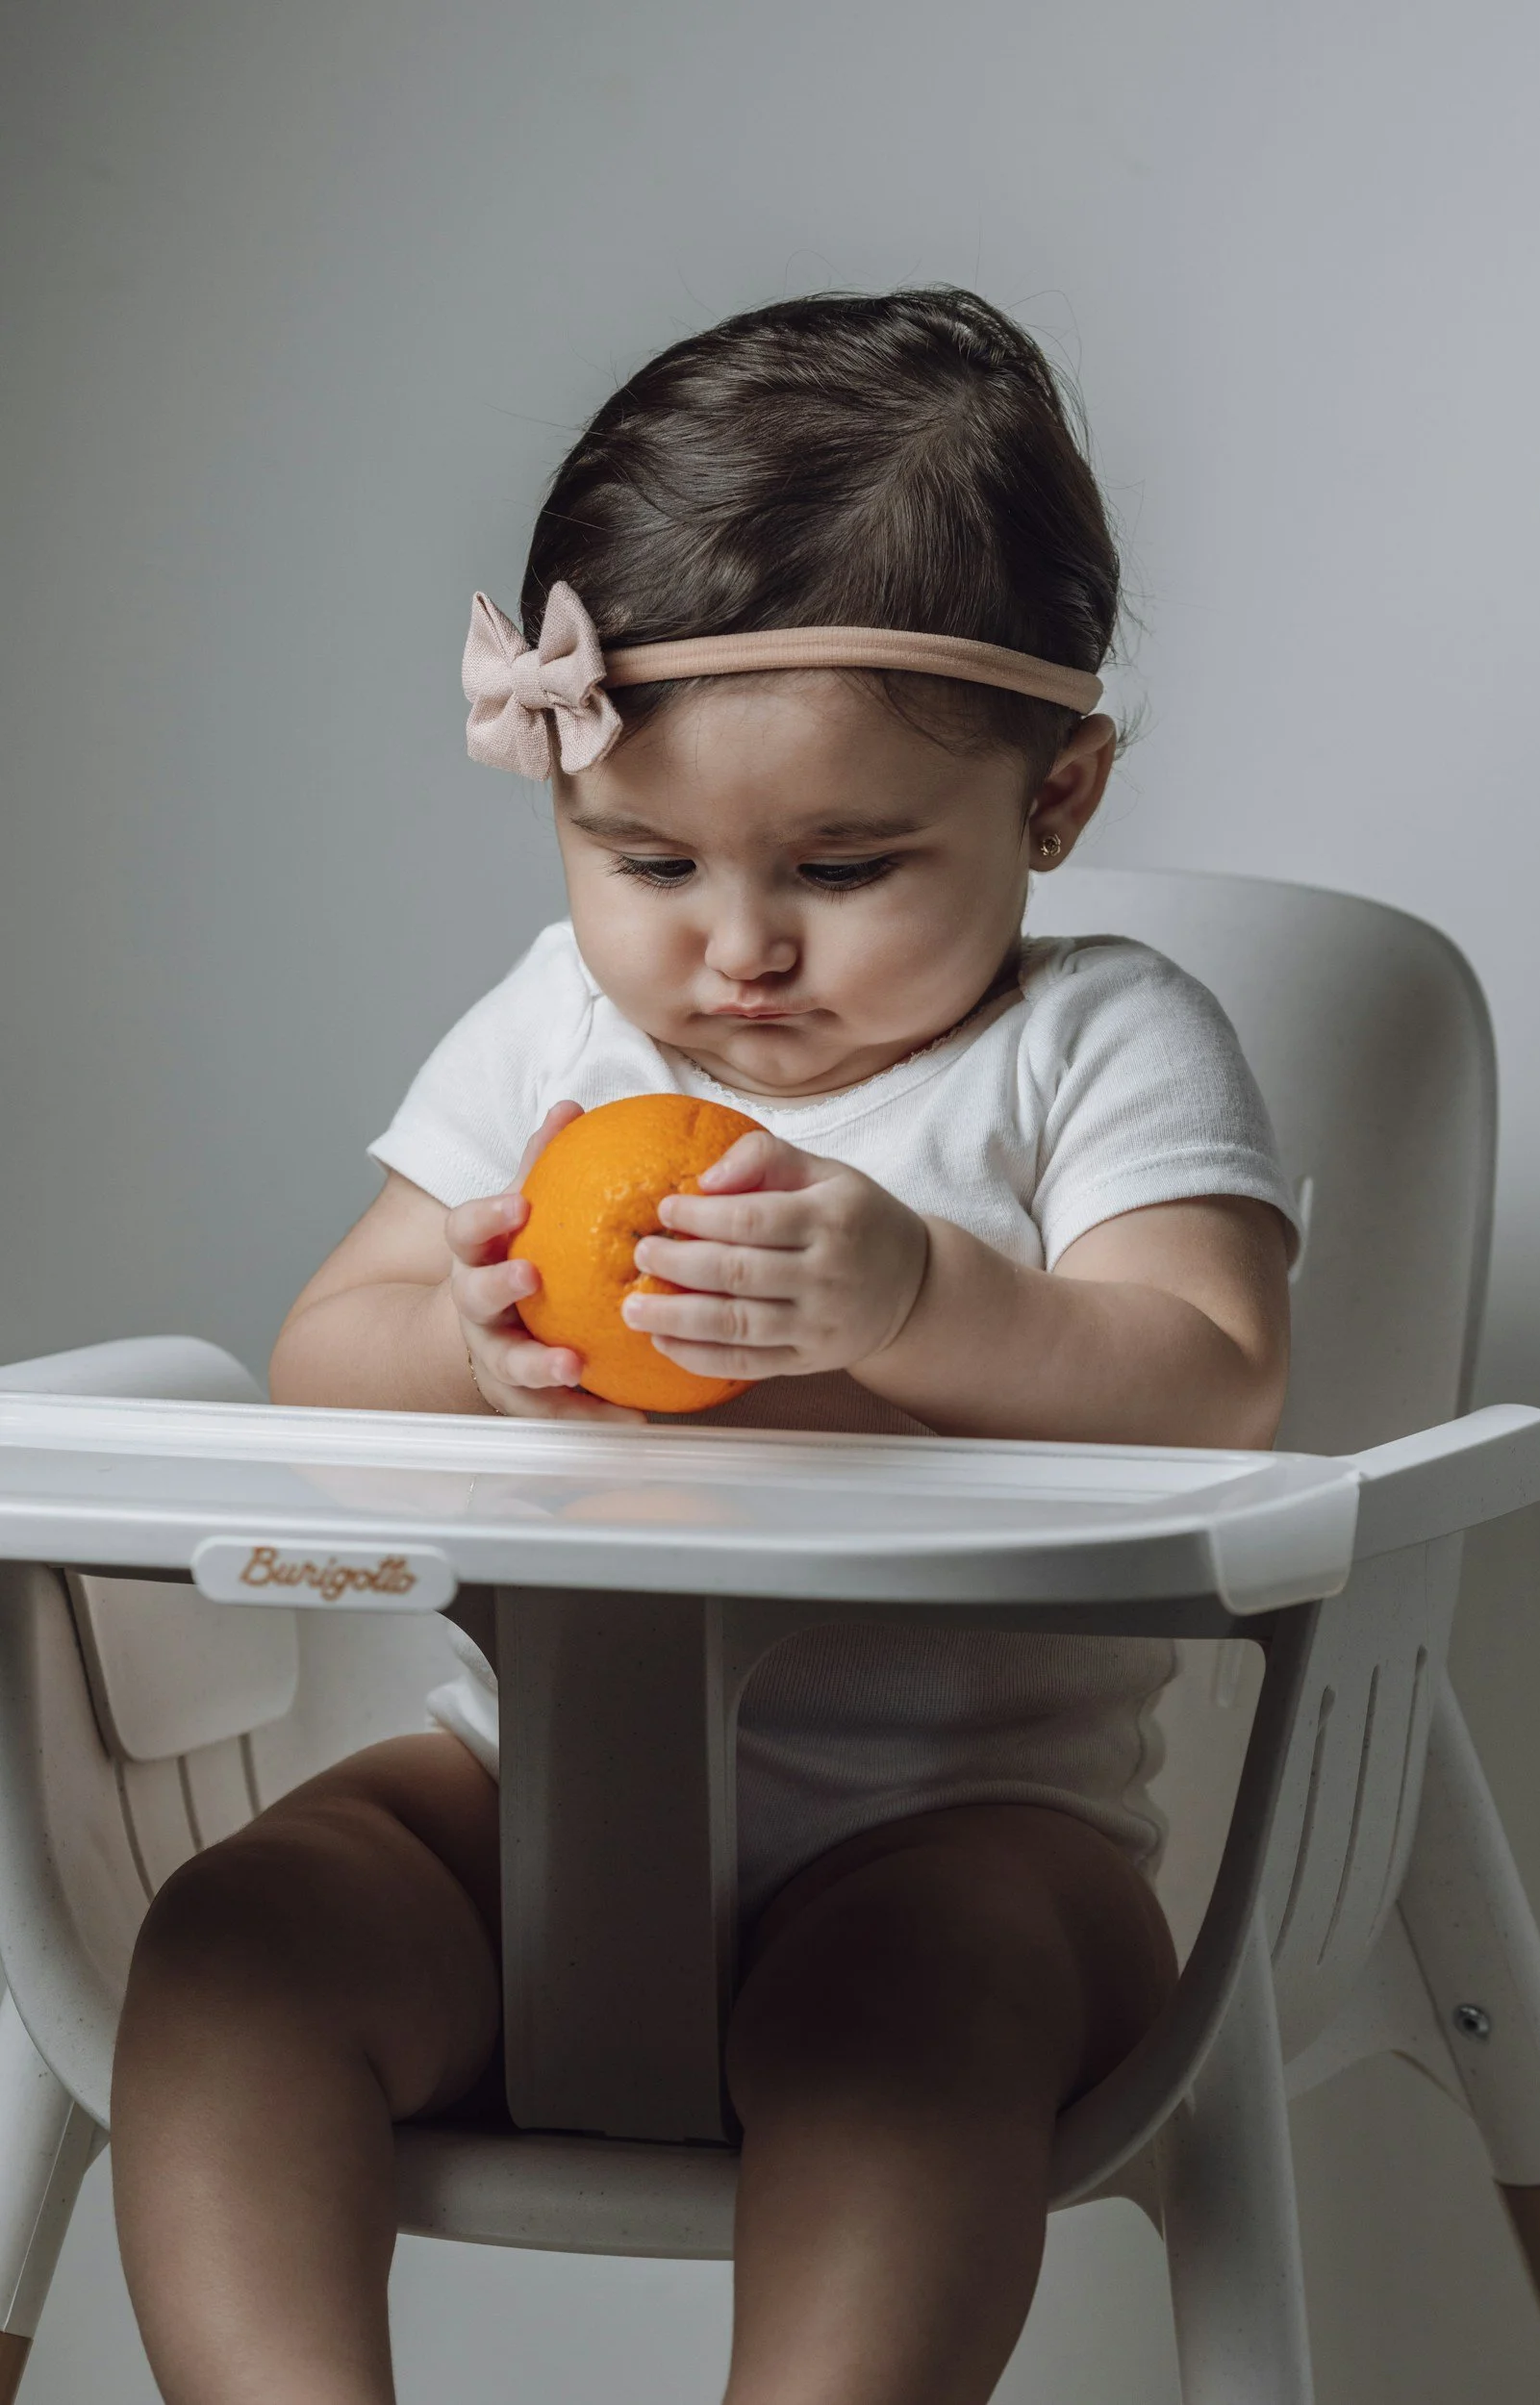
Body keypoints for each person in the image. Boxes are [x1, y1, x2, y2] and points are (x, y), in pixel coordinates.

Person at [111, 287, 1297, 2405]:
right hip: (533, 1803)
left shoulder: (1095, 1043)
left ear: (1058, 794)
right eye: (643, 857)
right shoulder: (556, 1038)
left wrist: (932, 1298)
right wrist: (463, 1356)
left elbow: (1215, 1376)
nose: (733, 948)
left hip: (970, 1828)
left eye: (842, 867)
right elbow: (325, 1343)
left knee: (917, 2018)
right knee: (231, 1942)